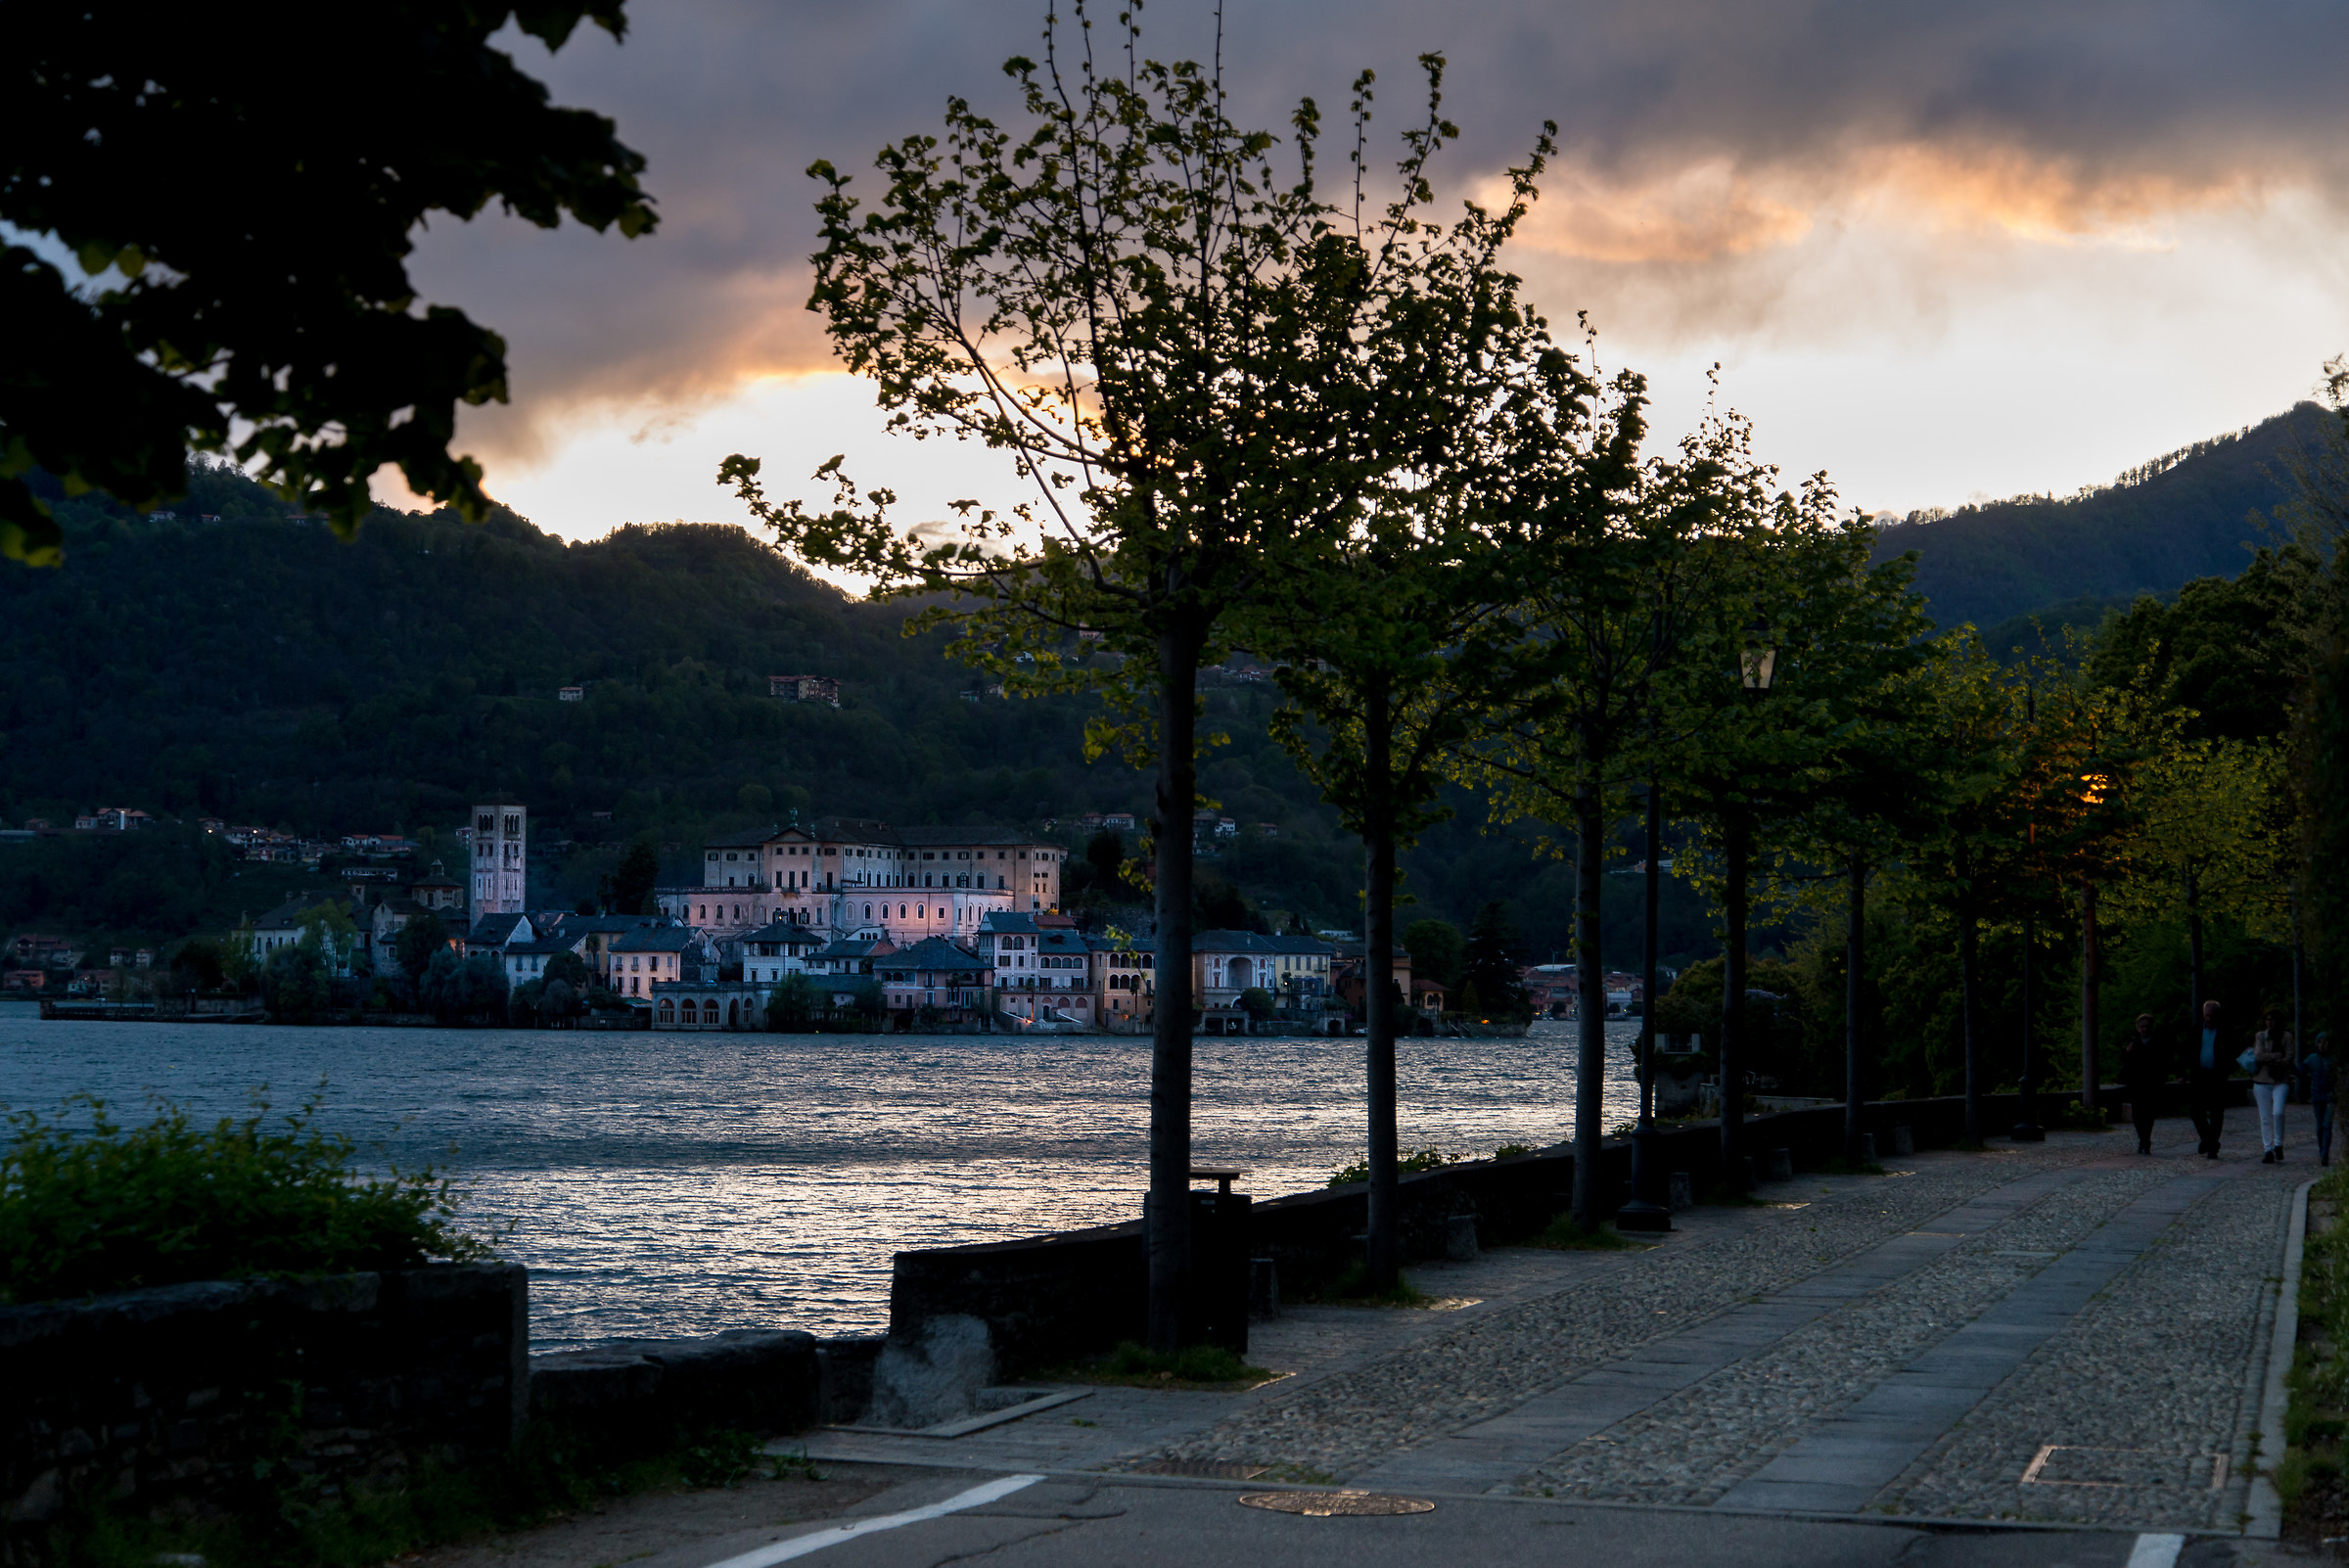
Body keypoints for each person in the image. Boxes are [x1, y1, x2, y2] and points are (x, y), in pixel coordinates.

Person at [2251, 1006, 2296, 1163]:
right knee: (2265, 1117)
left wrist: (2272, 1059)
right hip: (2262, 1079)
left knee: (2278, 1113)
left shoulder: (2287, 1037)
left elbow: (2289, 1058)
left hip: (2281, 1080)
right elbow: (2258, 1056)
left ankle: (2279, 1144)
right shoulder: (2261, 1036)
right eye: (2268, 1020)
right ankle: (2268, 1149)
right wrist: (2275, 1056)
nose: (2270, 1023)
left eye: (2273, 1020)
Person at [2188, 998, 2229, 1159]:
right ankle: (2209, 1140)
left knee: (2217, 1111)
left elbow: (2230, 1052)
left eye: (2212, 1016)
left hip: (2216, 1076)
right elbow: (2188, 1050)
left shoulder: (2224, 1031)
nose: (2209, 1019)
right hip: (2199, 1075)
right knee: (2195, 1110)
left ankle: (2211, 1144)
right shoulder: (2196, 1030)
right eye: (2207, 1015)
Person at [2120, 1012, 2164, 1155]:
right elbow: (2125, 1061)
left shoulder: (2157, 1042)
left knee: (2149, 1114)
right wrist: (2127, 1052)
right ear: (2138, 1028)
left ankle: (2145, 1140)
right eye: (2142, 1027)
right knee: (2137, 1115)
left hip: (2151, 1083)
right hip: (2136, 1083)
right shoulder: (2134, 1042)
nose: (2144, 1029)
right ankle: (2144, 1139)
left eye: (2146, 1026)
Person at [2305, 1032, 2337, 1168]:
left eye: (2324, 1042)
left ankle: (2325, 1154)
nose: (2322, 1045)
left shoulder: (2332, 1060)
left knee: (2327, 1125)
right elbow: (2301, 1071)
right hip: (2317, 1097)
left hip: (2330, 1096)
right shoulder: (2311, 1059)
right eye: (2320, 1042)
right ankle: (2322, 1151)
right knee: (2320, 1126)